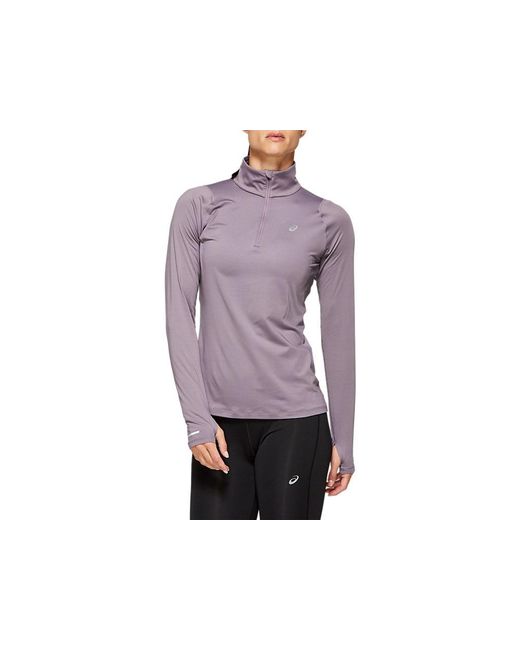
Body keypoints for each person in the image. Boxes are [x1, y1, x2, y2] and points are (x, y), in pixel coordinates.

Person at [165, 130, 356, 519]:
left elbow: (339, 332)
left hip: (297, 423)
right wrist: (197, 420)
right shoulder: (199, 205)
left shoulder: (328, 220)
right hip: (218, 425)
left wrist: (345, 437)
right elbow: (179, 314)